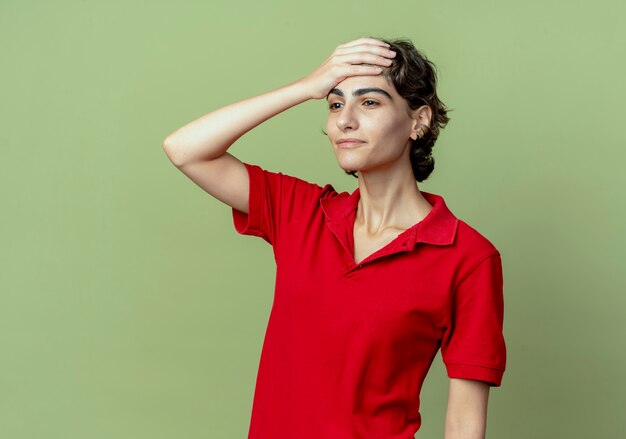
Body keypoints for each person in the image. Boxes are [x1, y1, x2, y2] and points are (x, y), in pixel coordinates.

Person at [163, 36, 506, 439]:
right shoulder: (301, 212)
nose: (345, 120)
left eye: (370, 102)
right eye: (336, 103)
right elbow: (185, 149)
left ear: (419, 120)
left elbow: (465, 422)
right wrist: (305, 87)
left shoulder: (468, 257)